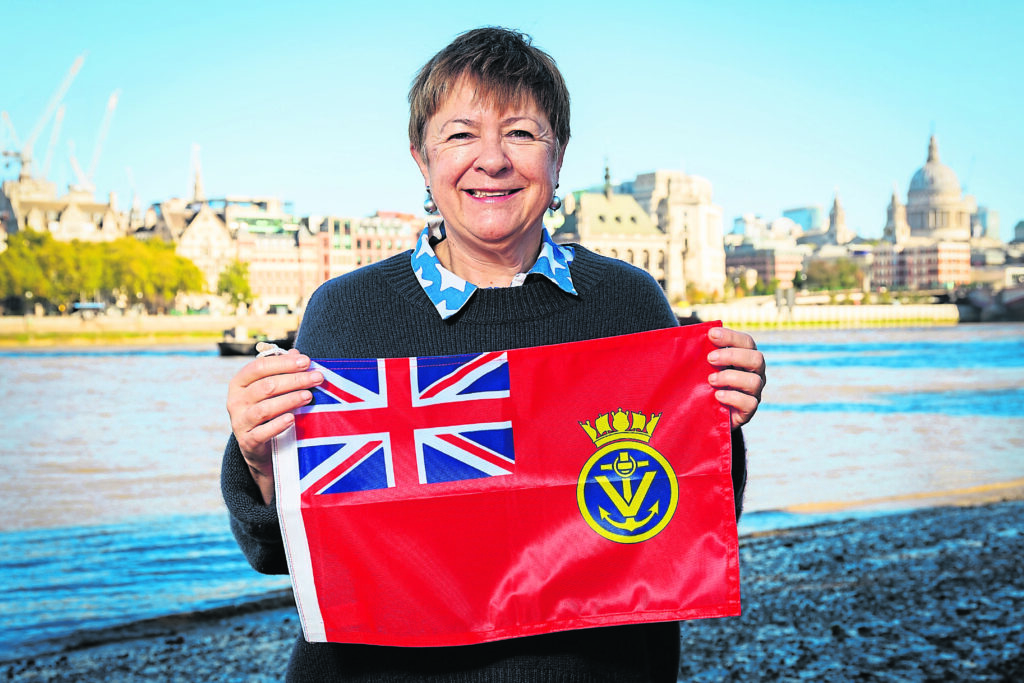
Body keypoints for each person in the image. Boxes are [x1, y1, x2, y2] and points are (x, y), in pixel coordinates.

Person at [223, 27, 766, 682]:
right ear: (421, 160)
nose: (492, 159)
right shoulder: (346, 312)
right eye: (460, 134)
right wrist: (257, 456)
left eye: (520, 132)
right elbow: (281, 551)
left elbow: (684, 525)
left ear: (557, 156)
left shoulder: (629, 303)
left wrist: (720, 420)